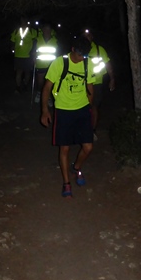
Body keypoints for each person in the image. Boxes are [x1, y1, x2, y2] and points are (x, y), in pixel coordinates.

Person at [40, 36, 96, 198]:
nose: (81, 58)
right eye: (79, 55)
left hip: (82, 109)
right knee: (64, 148)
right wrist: (45, 110)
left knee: (88, 147)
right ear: (72, 50)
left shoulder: (87, 63)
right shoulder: (59, 63)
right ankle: (66, 183)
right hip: (63, 110)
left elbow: (90, 85)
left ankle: (76, 168)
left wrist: (90, 105)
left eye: (84, 55)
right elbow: (47, 87)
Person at [83, 28, 116, 141]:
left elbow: (107, 64)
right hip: (81, 83)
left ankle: (92, 130)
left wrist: (112, 78)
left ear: (92, 37)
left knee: (94, 107)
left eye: (88, 35)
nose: (87, 38)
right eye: (84, 36)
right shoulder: (79, 49)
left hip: (96, 83)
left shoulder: (99, 49)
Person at [10, 16, 37, 93]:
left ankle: (25, 85)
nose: (23, 23)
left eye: (25, 21)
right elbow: (12, 40)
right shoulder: (16, 31)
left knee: (27, 72)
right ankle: (18, 87)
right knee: (19, 72)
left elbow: (35, 41)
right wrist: (12, 47)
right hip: (18, 55)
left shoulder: (32, 31)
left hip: (28, 55)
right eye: (22, 21)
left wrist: (33, 51)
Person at [33, 22, 58, 104]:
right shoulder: (37, 39)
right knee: (40, 82)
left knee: (49, 82)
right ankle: (39, 93)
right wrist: (33, 57)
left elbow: (58, 52)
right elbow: (33, 51)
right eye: (45, 29)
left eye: (48, 29)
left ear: (51, 30)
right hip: (40, 64)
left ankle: (49, 97)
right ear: (43, 30)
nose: (47, 31)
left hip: (51, 65)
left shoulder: (55, 40)